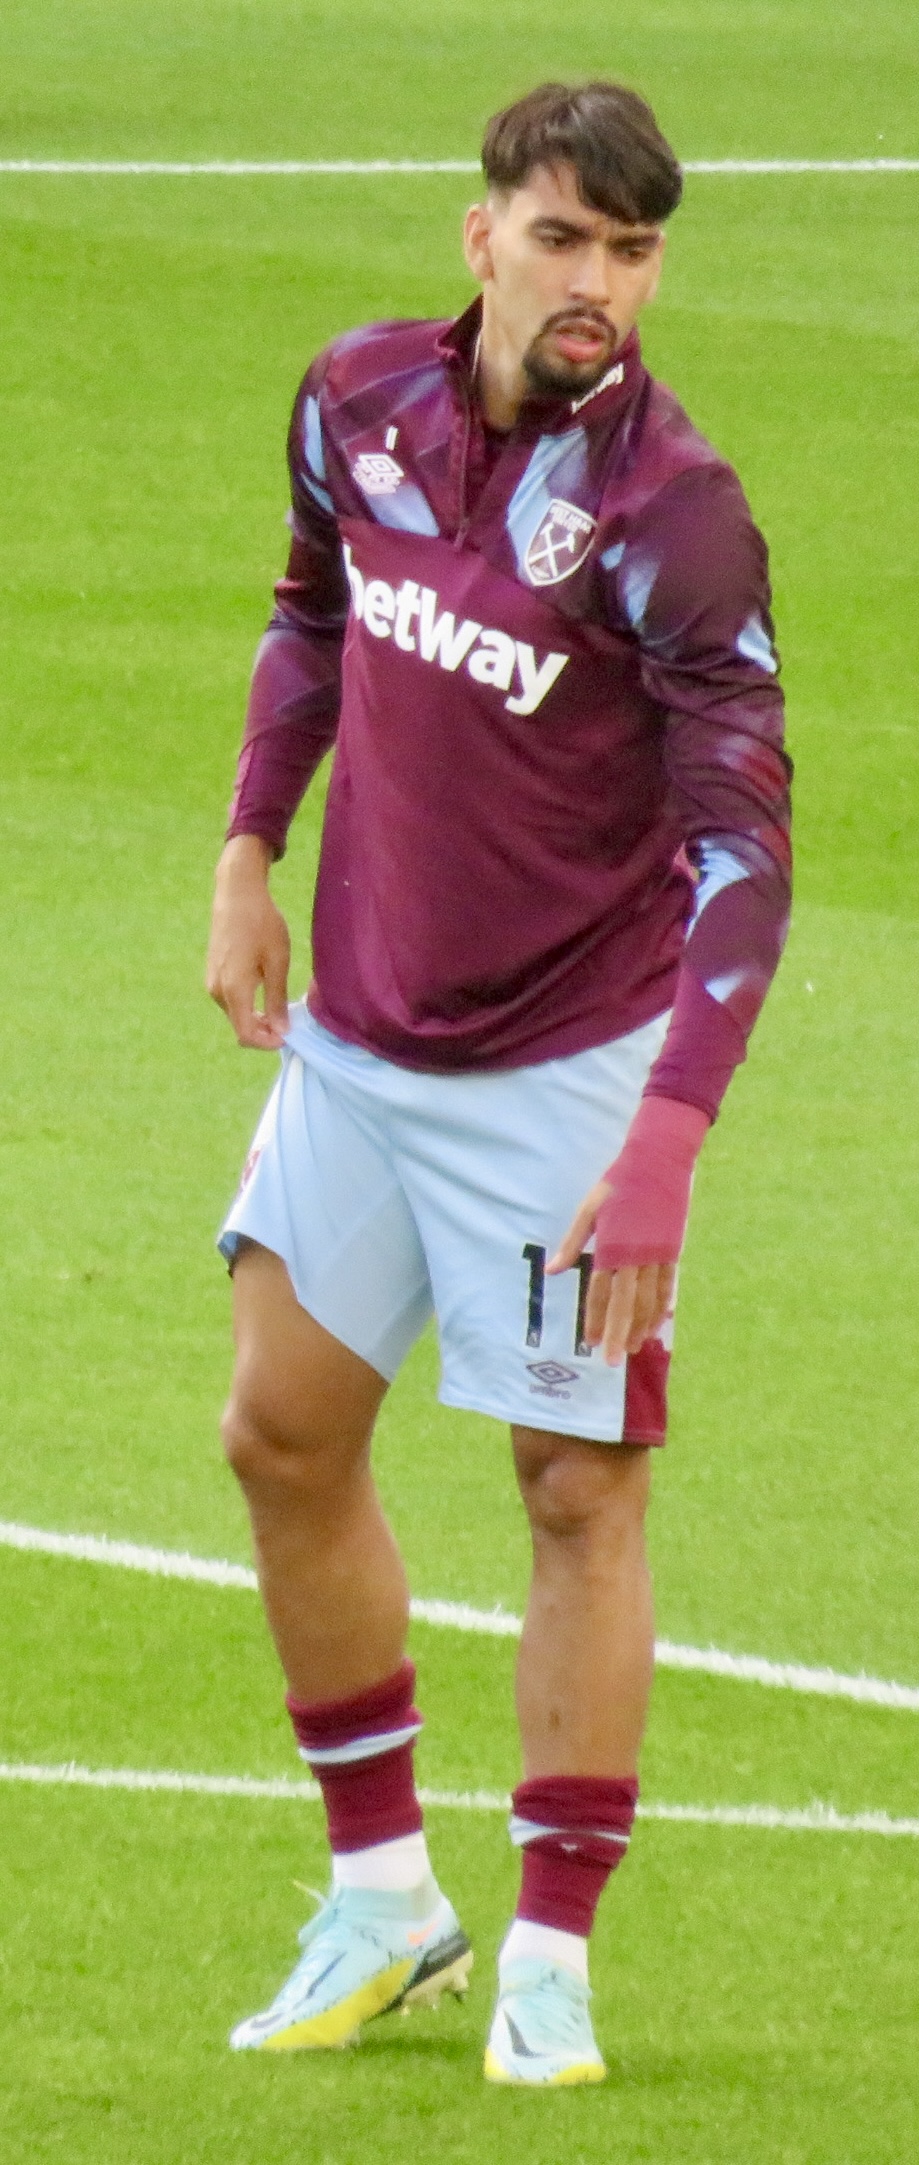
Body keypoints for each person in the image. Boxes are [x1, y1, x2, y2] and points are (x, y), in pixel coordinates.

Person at [206, 79, 791, 2086]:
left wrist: (667, 1139)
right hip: (360, 1040)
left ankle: (550, 1949)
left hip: (567, 1067)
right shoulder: (352, 403)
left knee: (573, 1491)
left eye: (632, 252)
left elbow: (744, 851)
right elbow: (307, 623)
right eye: (565, 239)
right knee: (280, 1437)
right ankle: (385, 1902)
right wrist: (247, 854)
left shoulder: (671, 515)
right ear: (482, 236)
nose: (599, 287)